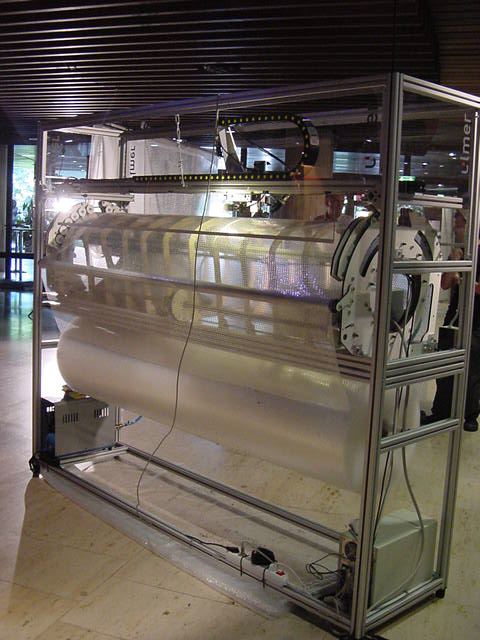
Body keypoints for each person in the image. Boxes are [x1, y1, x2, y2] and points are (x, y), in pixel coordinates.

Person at [422, 211, 480, 432]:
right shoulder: (459, 252)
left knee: (472, 368)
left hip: (476, 319)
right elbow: (445, 283)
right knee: (446, 362)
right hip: (454, 317)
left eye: (460, 224)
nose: (456, 228)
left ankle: (470, 413)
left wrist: (465, 281)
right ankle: (441, 410)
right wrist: (455, 262)